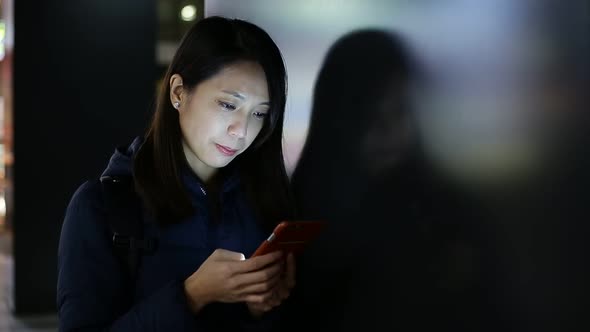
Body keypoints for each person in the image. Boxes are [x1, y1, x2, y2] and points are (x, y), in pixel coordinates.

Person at [57, 16, 295, 331]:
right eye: (227, 105)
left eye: (259, 113)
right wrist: (191, 295)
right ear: (179, 93)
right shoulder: (101, 207)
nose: (242, 131)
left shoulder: (262, 202)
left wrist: (260, 309)